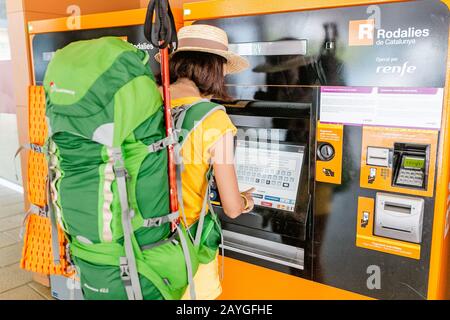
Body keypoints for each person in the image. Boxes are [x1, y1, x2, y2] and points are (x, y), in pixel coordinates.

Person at [155, 24, 255, 299]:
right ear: (214, 67)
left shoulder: (149, 102)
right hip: (185, 249)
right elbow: (232, 207)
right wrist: (247, 200)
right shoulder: (213, 119)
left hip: (142, 244)